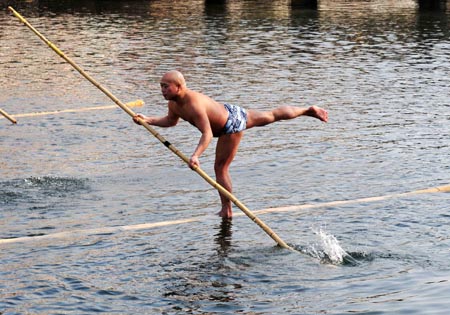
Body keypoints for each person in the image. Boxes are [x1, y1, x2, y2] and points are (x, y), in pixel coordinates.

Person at [133, 70, 328, 218]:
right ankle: (307, 110)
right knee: (271, 115)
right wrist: (148, 119)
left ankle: (227, 209)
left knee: (220, 167)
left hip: (230, 125)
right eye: (161, 86)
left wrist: (196, 155)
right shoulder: (173, 104)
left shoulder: (194, 104)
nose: (162, 90)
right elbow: (170, 121)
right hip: (228, 110)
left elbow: (207, 133)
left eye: (166, 86)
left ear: (179, 87)